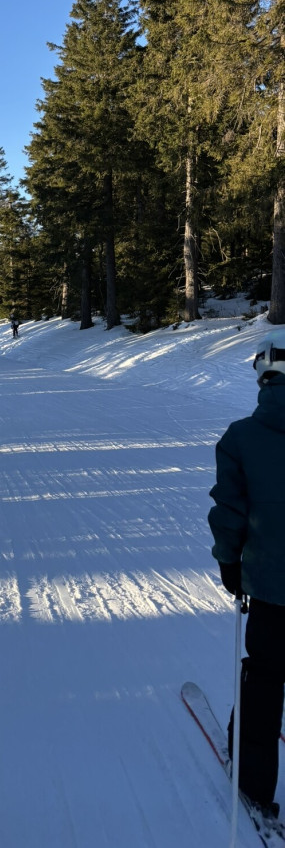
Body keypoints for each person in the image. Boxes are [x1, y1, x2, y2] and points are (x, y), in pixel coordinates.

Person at [208, 328, 285, 821]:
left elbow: (230, 511)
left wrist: (229, 563)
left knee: (264, 677)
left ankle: (255, 787)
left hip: (271, 586)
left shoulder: (240, 437)